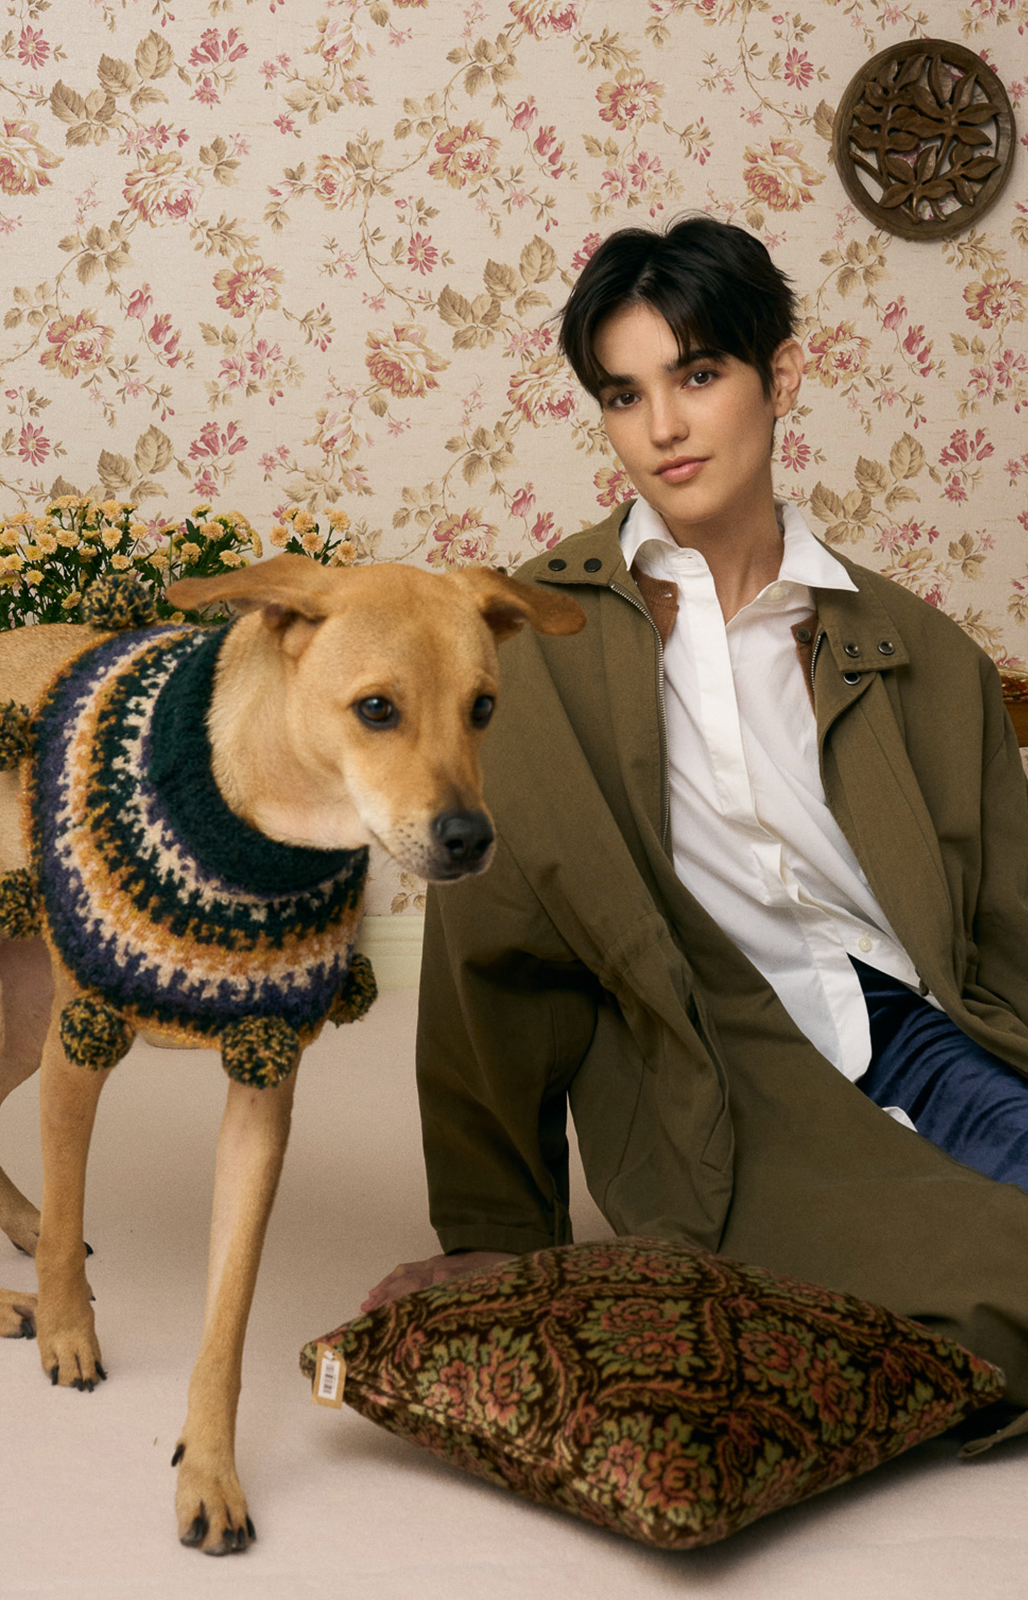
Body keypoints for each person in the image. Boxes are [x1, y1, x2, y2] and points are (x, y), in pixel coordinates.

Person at [364, 215, 1028, 1409]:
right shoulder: (531, 641)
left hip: (922, 1032)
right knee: (999, 1285)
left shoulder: (915, 647)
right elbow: (490, 953)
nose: (663, 426)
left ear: (782, 375)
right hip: (719, 1066)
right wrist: (495, 1231)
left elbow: (1008, 921)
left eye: (699, 375)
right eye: (625, 395)